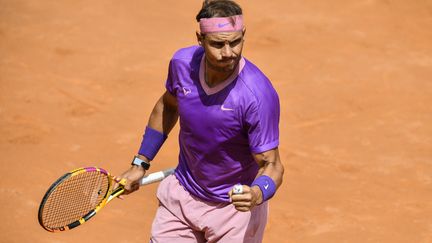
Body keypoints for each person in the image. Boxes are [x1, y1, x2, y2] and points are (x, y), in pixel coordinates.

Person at [117, 0, 284, 242]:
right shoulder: (182, 64)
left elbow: (272, 164)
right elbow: (167, 106)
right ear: (200, 39)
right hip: (182, 198)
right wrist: (140, 163)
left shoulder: (257, 96)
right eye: (218, 44)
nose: (228, 52)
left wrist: (257, 194)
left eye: (235, 42)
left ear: (243, 35)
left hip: (233, 212)